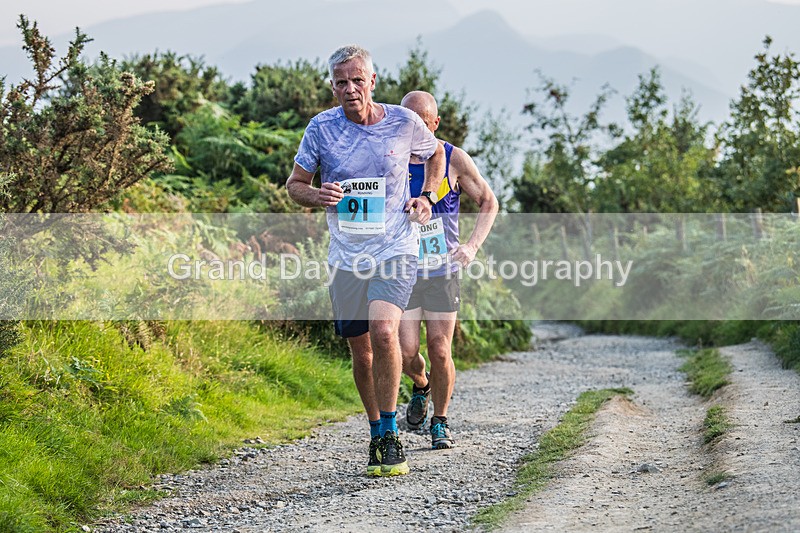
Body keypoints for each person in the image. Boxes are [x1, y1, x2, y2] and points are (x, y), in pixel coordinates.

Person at [286, 46, 446, 477]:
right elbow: (295, 184)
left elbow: (436, 155)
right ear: (332, 86)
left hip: (396, 246)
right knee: (361, 351)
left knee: (383, 330)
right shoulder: (321, 129)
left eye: (358, 80)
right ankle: (375, 431)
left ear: (372, 81)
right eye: (342, 82)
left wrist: (427, 196)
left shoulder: (403, 122)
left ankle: (392, 433)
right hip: (346, 254)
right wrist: (317, 195)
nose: (350, 89)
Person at [398, 90, 499, 449]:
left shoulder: (454, 159)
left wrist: (472, 246)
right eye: (409, 123)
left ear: (435, 124)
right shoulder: (390, 156)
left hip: (442, 269)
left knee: (440, 349)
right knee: (407, 352)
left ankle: (440, 421)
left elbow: (489, 201)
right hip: (404, 268)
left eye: (423, 125)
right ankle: (422, 386)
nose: (415, 132)